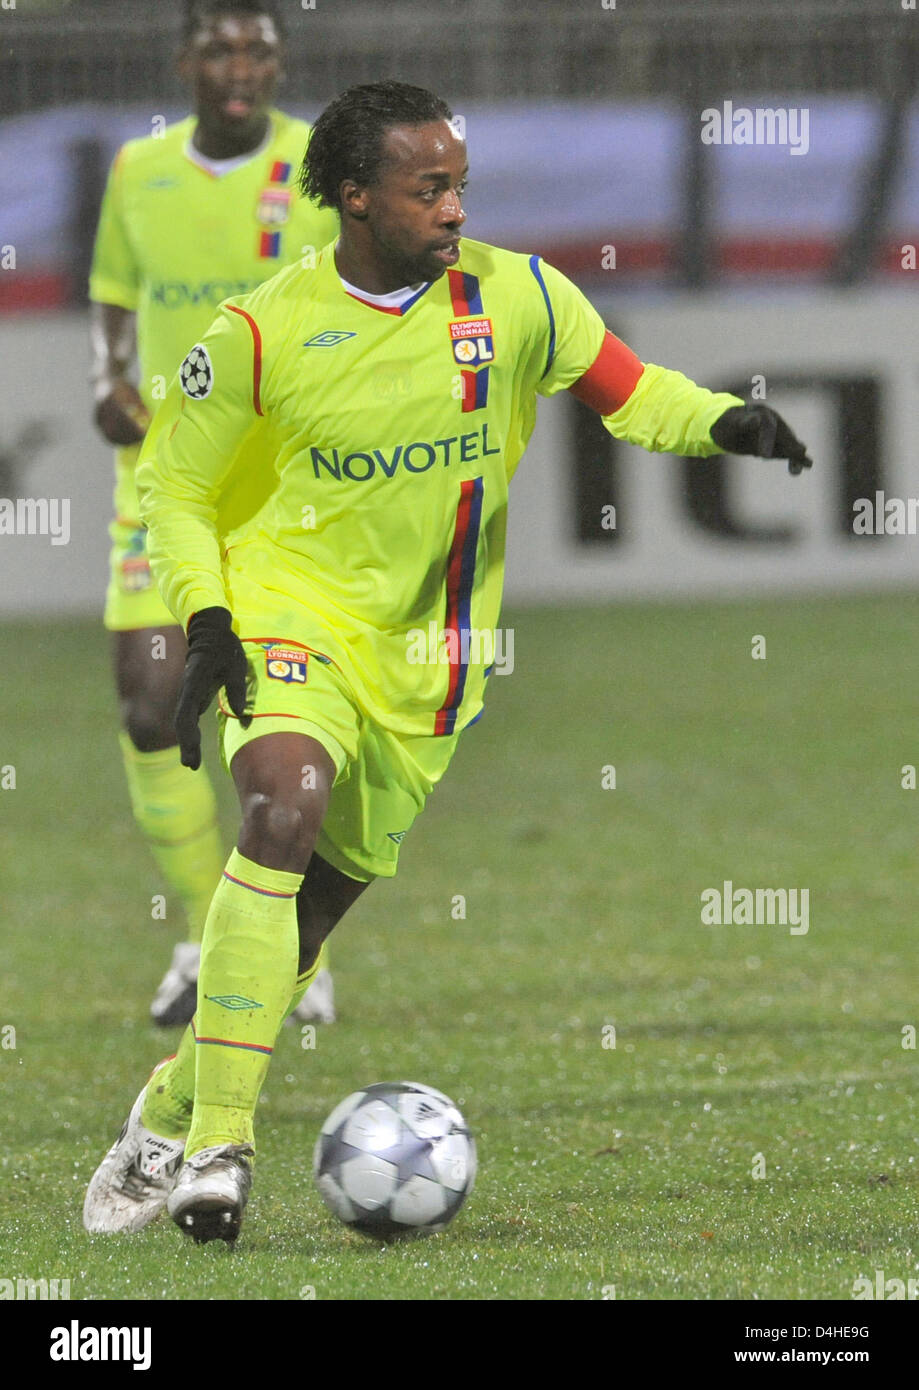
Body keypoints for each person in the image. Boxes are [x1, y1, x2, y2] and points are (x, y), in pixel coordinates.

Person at [83, 79, 812, 1244]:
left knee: (310, 914)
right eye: (430, 190)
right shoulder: (262, 331)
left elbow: (628, 392)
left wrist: (721, 421)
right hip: (289, 618)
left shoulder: (519, 297)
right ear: (355, 196)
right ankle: (221, 1145)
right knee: (280, 805)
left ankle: (170, 1102)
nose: (455, 209)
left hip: (433, 664)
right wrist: (209, 617)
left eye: (461, 186)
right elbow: (173, 488)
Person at [89, 0, 339, 1027]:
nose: (242, 65)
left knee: (277, 726)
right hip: (163, 484)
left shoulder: (326, 169)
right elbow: (114, 298)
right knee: (152, 704)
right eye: (222, 47)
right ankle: (206, 934)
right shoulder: (137, 174)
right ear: (186, 60)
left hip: (285, 493)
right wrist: (109, 380)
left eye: (261, 49)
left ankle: (288, 948)